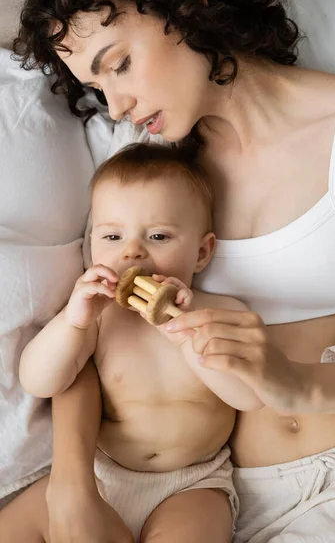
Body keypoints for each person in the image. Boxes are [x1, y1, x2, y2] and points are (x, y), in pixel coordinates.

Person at [6, 0, 335, 541]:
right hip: (231, 504)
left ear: (188, 4)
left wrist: (298, 384)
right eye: (94, 85)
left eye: (119, 64)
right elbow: (93, 343)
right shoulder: (142, 164)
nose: (117, 105)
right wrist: (70, 484)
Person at [1, 142, 266, 542]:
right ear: (90, 248)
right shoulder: (98, 317)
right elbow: (38, 381)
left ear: (201, 252)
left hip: (191, 483)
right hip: (99, 475)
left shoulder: (220, 313)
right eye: (111, 235)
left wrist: (184, 332)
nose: (132, 251)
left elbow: (250, 396)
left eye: (158, 236)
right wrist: (73, 322)